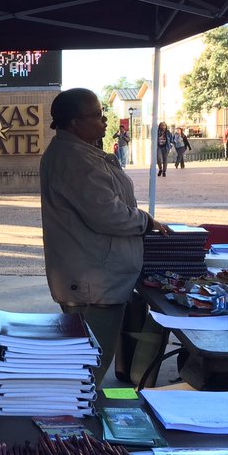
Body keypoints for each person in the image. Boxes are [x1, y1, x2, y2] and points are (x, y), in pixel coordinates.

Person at [40, 88, 168, 383]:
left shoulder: (81, 152)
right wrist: (146, 222)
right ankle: (79, 424)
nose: (105, 120)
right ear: (74, 122)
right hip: (94, 282)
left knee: (86, 362)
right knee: (89, 369)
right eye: (98, 115)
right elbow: (107, 213)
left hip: (93, 275)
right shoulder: (76, 160)